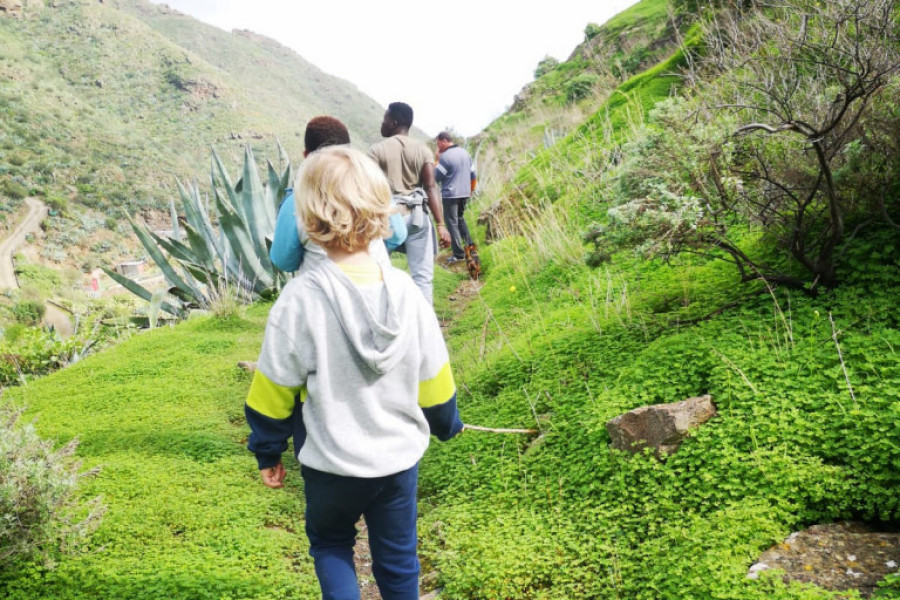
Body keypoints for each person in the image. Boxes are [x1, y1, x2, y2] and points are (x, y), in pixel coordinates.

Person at [245, 146, 463, 600]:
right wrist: (446, 424)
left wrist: (268, 450)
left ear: (307, 218)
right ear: (381, 210)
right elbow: (434, 379)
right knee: (399, 558)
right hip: (397, 463)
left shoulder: (299, 300)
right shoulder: (406, 292)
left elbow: (273, 388)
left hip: (331, 464)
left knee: (331, 545)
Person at [270, 115, 407, 273]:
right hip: (378, 287)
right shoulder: (375, 189)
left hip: (318, 293)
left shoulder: (297, 201)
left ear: (307, 156)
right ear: (350, 153)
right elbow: (398, 235)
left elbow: (283, 261)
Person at [368, 102, 451, 305]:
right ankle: (426, 330)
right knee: (423, 278)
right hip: (418, 217)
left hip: (387, 219)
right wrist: (440, 224)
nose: (382, 123)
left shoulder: (376, 151)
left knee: (376, 274)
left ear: (394, 122)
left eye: (385, 119)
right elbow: (431, 187)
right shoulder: (422, 151)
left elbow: (367, 188)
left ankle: (386, 324)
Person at [434, 131, 477, 264]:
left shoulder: (445, 157)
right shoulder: (465, 153)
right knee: (460, 219)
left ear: (444, 141)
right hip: (464, 193)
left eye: (438, 144)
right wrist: (470, 190)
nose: (438, 147)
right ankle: (470, 247)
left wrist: (437, 159)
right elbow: (473, 175)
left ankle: (458, 255)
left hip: (450, 195)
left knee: (452, 223)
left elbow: (435, 177)